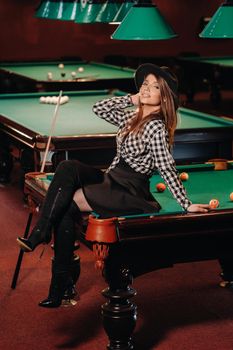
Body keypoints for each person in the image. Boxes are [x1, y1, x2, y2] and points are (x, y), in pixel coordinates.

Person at [17, 63, 211, 308]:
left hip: (128, 190)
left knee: (65, 206)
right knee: (67, 168)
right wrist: (132, 99)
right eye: (145, 84)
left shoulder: (156, 127)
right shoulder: (132, 115)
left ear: (165, 97)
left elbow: (167, 167)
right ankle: (45, 240)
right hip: (111, 177)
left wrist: (186, 204)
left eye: (154, 86)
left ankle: (59, 285)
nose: (147, 89)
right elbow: (99, 107)